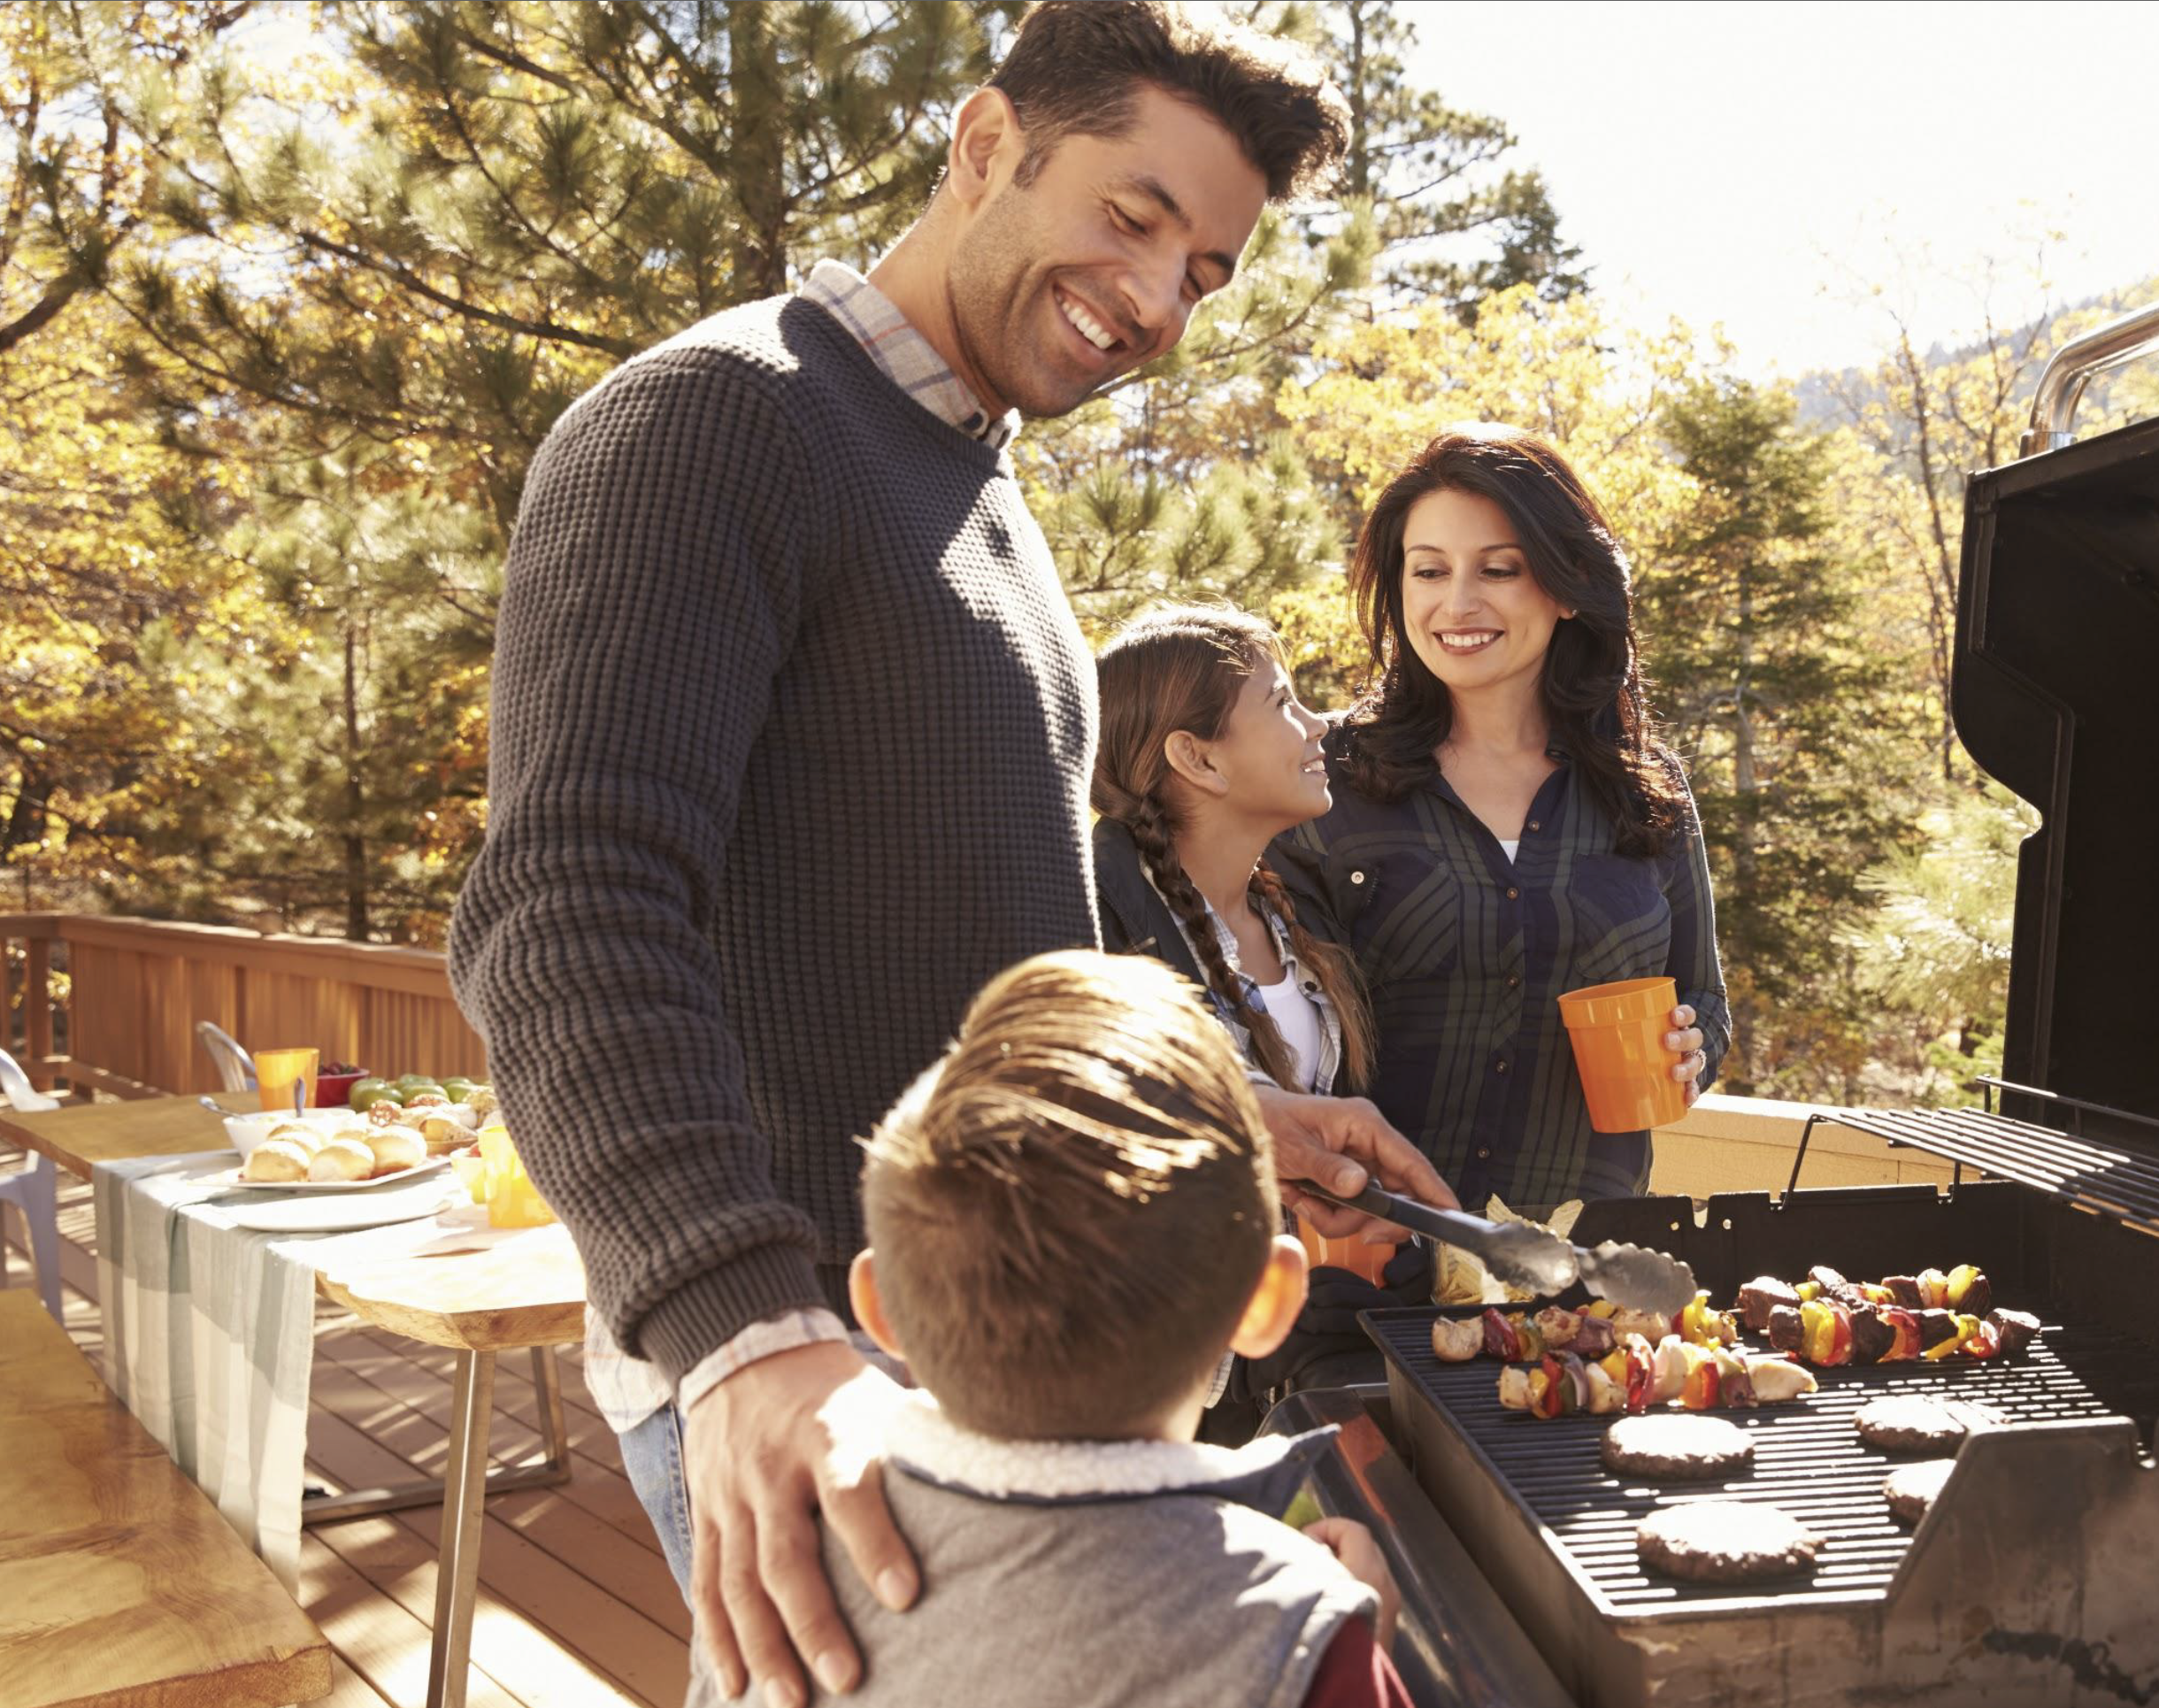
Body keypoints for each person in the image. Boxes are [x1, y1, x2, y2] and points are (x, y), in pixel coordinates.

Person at [448, 8, 1449, 1705]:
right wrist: (745, 1329)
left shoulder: (984, 506)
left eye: (1202, 270)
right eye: (1132, 218)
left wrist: (1207, 1119)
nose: (1154, 300)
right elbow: (562, 913)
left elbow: (977, 960)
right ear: (985, 143)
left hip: (985, 1376)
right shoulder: (718, 422)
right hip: (817, 1364)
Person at [684, 949, 1411, 1707]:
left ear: (880, 1308)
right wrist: (1361, 1642)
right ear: (1268, 1300)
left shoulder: (773, 1575)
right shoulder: (1292, 1631)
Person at [1275, 425, 1731, 1212]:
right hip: (1367, 1268)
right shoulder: (1324, 778)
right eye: (1429, 571)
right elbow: (1247, 1020)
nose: (1457, 604)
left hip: (1581, 1287)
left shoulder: (1646, 789)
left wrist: (1693, 1051)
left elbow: (1704, 1001)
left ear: (1563, 586)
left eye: (1498, 570)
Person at [1090, 604, 1431, 1430]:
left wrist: (1392, 1248)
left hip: (1292, 1385)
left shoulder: (1295, 913)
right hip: (1162, 1404)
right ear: (1196, 757)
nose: (1319, 726)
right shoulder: (1095, 924)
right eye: (1282, 703)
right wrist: (1239, 1351)